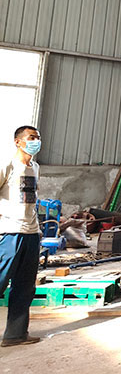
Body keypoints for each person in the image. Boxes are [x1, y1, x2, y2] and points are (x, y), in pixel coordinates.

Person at [0, 126, 43, 347]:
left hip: (31, 233)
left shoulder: (35, 167)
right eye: (31, 137)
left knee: (25, 286)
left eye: (38, 137)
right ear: (18, 142)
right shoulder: (7, 165)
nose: (36, 141)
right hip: (10, 233)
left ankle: (15, 334)